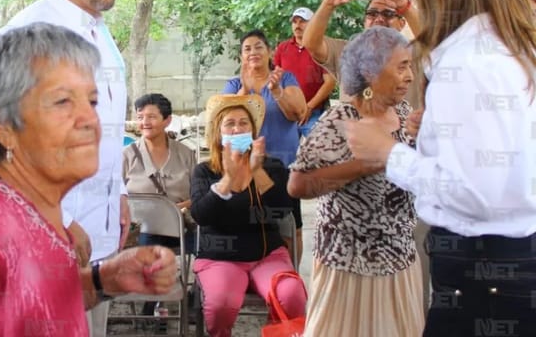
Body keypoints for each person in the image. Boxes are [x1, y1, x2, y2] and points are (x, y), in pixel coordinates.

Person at [0, 23, 177, 336]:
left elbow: (26, 300)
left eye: (92, 102)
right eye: (62, 102)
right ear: (1, 124)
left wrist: (103, 280)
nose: (89, 120)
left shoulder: (20, 195)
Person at [346, 0, 536, 337]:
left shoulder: (471, 64)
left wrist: (390, 153)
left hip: (482, 274)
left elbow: (479, 194)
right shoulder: (510, 49)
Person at [0, 0, 129, 336]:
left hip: (98, 232)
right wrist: (58, 219)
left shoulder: (98, 30)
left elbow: (100, 126)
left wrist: (119, 193)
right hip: (49, 235)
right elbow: (4, 144)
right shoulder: (29, 34)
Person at [288, 27, 424, 336]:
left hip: (399, 259)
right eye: (401, 66)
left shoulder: (404, 113)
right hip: (349, 266)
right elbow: (297, 186)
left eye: (410, 66)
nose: (410, 76)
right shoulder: (341, 121)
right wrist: (365, 165)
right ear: (369, 71)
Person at [191, 94, 306, 337]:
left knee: (291, 295)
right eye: (230, 124)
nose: (237, 128)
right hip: (220, 257)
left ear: (253, 131)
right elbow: (200, 215)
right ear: (218, 132)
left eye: (243, 123)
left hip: (267, 254)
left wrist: (257, 171)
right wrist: (228, 180)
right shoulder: (204, 171)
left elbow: (284, 209)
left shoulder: (272, 166)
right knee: (221, 304)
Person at [123, 93, 196, 248]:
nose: (145, 122)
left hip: (180, 226)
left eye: (151, 117)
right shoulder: (127, 155)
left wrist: (177, 208)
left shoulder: (185, 154)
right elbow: (114, 196)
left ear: (167, 120)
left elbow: (199, 195)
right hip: (139, 230)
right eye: (140, 117)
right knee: (149, 238)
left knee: (207, 243)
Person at [224, 29, 306, 166]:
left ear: (270, 52)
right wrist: (244, 90)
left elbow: (299, 114)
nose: (253, 52)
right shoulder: (234, 85)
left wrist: (276, 91)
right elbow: (225, 120)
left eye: (258, 47)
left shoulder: (285, 79)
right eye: (247, 49)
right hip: (245, 164)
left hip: (284, 162)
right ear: (241, 57)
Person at [273, 6, 336, 136]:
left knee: (318, 151)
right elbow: (275, 78)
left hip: (313, 114)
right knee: (285, 155)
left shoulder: (321, 48)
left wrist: (309, 107)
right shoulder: (282, 48)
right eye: (295, 22)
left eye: (302, 21)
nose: (298, 25)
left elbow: (330, 82)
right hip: (287, 113)